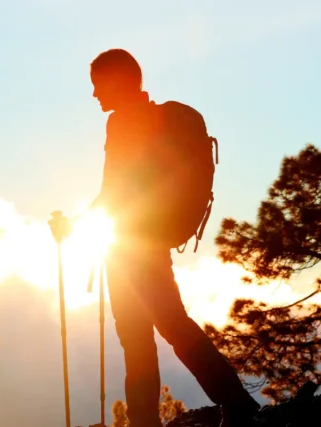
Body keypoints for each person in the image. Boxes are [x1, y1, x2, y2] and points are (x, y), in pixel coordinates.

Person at [87, 49, 261, 427]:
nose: (95, 95)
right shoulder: (153, 118)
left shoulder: (123, 123)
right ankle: (234, 402)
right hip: (148, 242)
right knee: (172, 326)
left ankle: (216, 408)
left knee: (145, 339)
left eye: (99, 86)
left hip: (130, 248)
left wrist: (78, 222)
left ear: (119, 80)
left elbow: (114, 189)